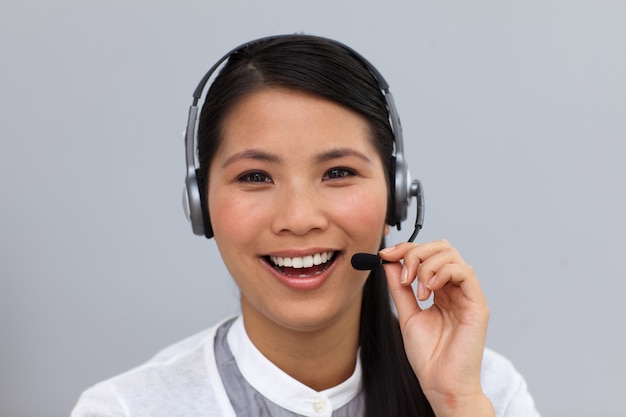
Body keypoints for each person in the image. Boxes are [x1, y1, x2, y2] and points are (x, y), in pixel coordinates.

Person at [72, 34, 540, 417]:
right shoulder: (127, 409)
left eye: (338, 173)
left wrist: (456, 404)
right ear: (200, 205)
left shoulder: (488, 391)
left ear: (396, 197)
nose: (299, 219)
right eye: (254, 177)